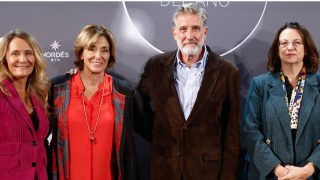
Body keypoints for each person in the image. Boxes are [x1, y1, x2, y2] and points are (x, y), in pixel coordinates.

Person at [136, 3, 240, 180]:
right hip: (165, 169)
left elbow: (232, 134)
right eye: (183, 29)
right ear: (174, 33)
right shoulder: (155, 67)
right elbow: (137, 107)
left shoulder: (227, 72)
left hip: (207, 172)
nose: (189, 36)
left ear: (205, 32)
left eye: (196, 29)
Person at [48, 24, 139, 180]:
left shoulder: (123, 93)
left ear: (110, 55)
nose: (98, 55)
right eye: (91, 48)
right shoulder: (57, 89)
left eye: (104, 50)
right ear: (81, 53)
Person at [243, 21, 320, 179]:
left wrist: (309, 168)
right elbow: (250, 131)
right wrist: (278, 170)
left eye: (297, 42)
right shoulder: (260, 85)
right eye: (283, 43)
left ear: (306, 49)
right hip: (271, 175)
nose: (289, 47)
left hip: (311, 174)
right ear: (277, 50)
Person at [0, 29, 50, 179]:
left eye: (28, 53)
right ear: (5, 59)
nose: (23, 59)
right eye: (15, 53)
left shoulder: (39, 93)